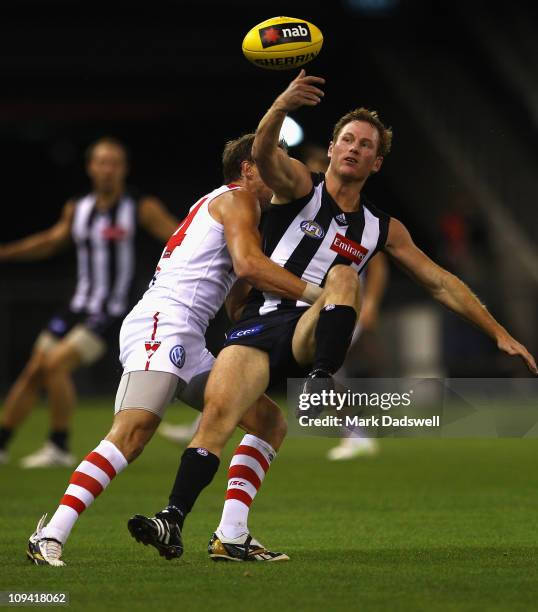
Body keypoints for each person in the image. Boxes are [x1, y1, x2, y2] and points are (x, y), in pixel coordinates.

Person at [132, 69, 537, 564]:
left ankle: (323, 380)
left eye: (365, 145)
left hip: (312, 329)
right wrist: (280, 105)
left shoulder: (381, 228)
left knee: (345, 275)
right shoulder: (301, 184)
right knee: (229, 419)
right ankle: (184, 523)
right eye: (346, 139)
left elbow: (440, 281)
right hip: (260, 323)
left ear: (377, 162)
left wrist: (498, 332)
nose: (353, 148)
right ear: (332, 145)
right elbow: (260, 154)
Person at [27, 133, 324, 566]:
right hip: (162, 323)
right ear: (247, 168)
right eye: (275, 159)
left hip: (187, 335)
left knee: (267, 422)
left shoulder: (234, 208)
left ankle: (231, 535)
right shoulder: (239, 198)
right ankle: (50, 534)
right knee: (133, 432)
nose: (283, 169)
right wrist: (319, 295)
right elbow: (249, 266)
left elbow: (236, 293)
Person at [0, 137, 179, 468]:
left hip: (112, 311)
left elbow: (181, 238)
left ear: (123, 169)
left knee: (54, 365)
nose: (107, 169)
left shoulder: (140, 207)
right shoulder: (77, 207)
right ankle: (2, 443)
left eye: (114, 163)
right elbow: (51, 241)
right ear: (90, 168)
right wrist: (7, 253)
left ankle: (59, 445)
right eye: (101, 162)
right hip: (78, 306)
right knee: (34, 368)